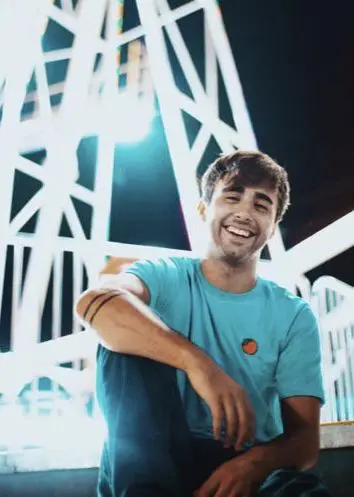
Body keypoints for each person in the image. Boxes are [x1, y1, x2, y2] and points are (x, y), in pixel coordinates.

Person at [75, 150, 333, 497]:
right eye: (232, 196)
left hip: (243, 465)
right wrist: (198, 364)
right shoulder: (163, 276)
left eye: (261, 205)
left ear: (272, 229)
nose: (244, 212)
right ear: (202, 210)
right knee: (121, 338)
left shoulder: (293, 315)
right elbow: (93, 304)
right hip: (154, 459)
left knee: (302, 491)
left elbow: (305, 443)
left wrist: (253, 465)